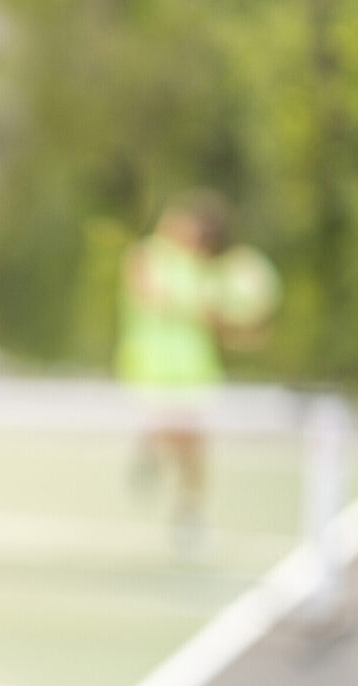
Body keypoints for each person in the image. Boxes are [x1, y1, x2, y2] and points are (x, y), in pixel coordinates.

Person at [116, 189, 281, 551]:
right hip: (151, 367)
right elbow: (152, 297)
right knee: (169, 432)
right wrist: (205, 308)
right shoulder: (146, 256)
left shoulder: (207, 269)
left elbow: (223, 322)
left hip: (195, 371)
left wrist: (244, 328)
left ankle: (189, 511)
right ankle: (150, 450)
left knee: (194, 449)